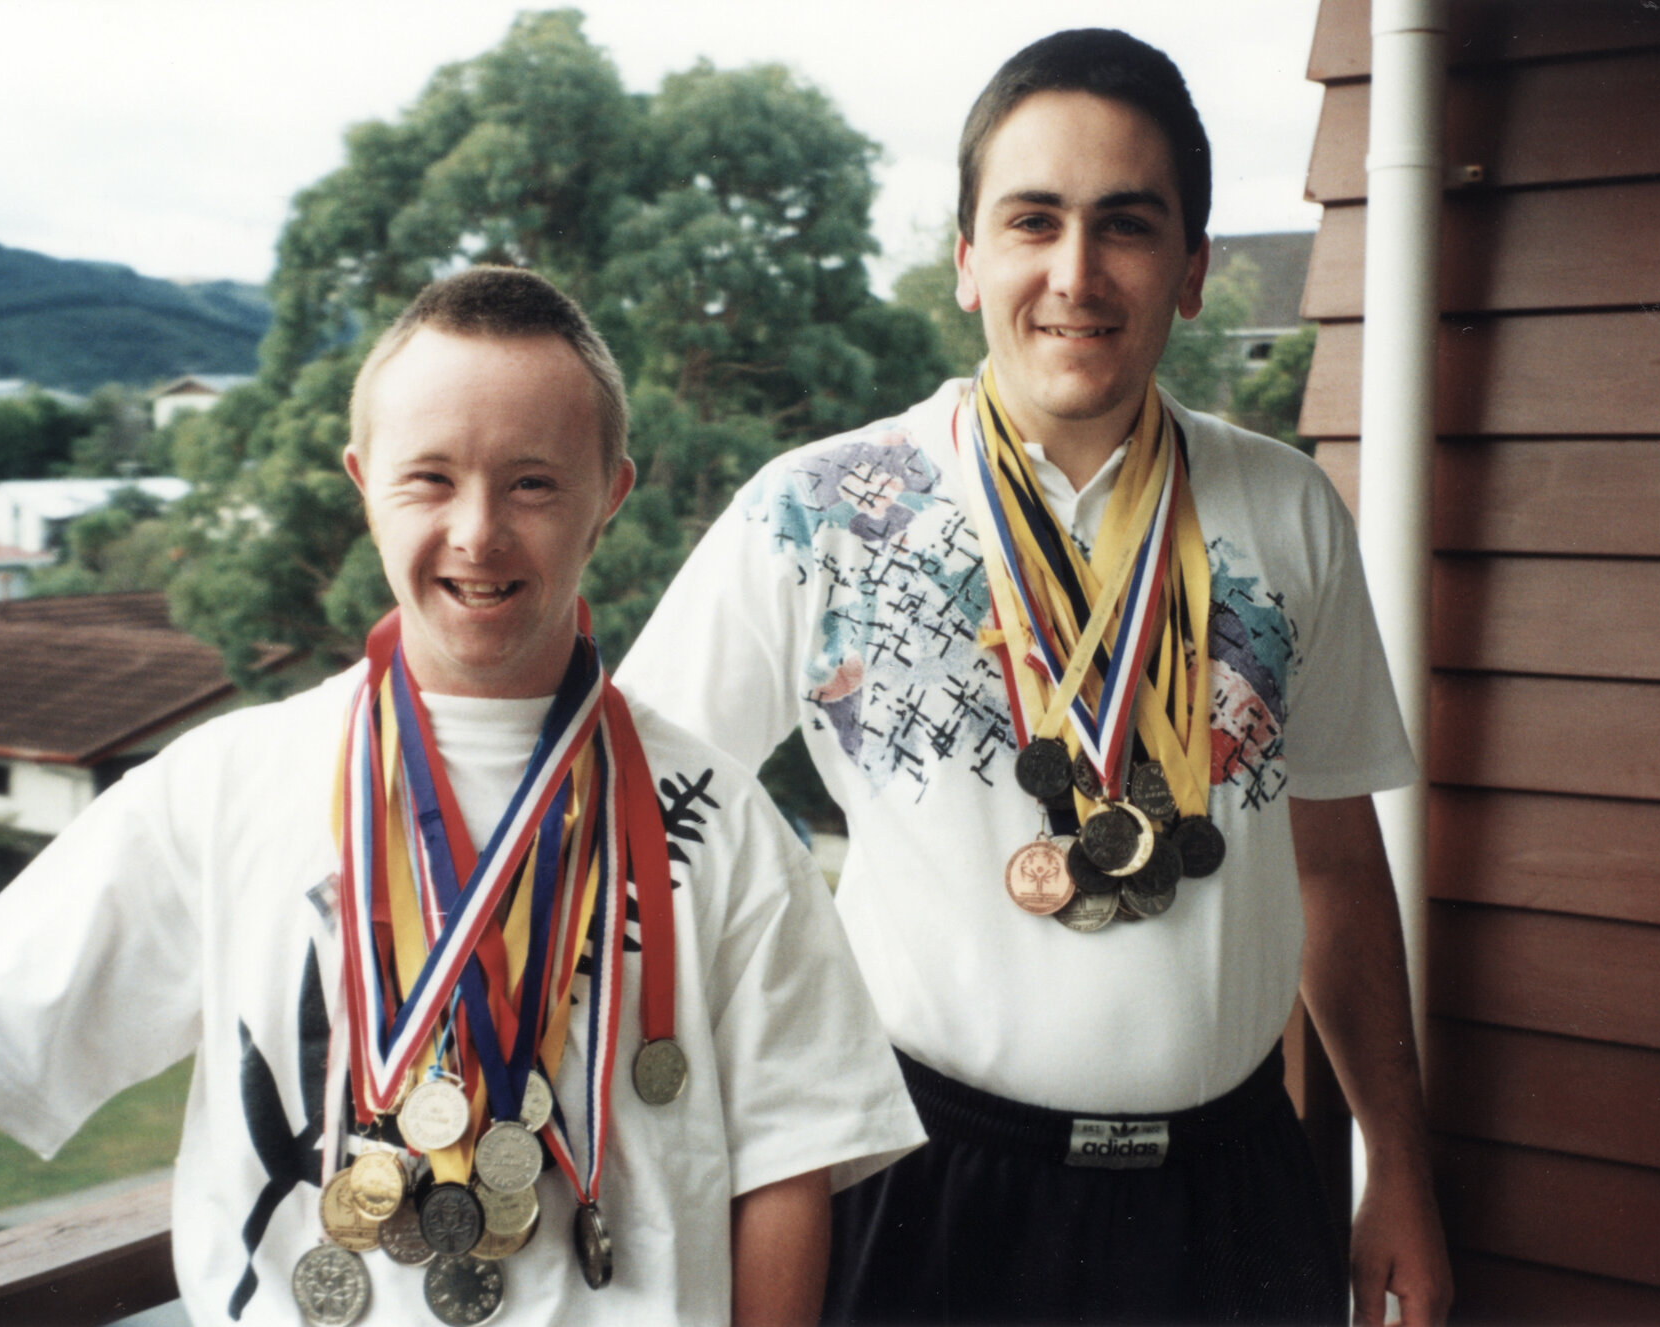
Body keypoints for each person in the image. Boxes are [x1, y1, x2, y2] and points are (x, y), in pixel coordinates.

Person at [0, 267, 924, 1326]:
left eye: (532, 482)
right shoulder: (222, 787)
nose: (477, 530)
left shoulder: (720, 820)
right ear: (362, 487)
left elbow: (787, 1171)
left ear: (610, 496)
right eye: (429, 477)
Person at [617, 28, 1452, 1327]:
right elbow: (634, 823)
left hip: (1230, 1201)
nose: (1074, 274)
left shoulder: (1285, 512)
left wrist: (1395, 1161)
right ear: (965, 259)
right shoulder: (819, 514)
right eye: (1030, 221)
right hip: (917, 1189)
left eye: (1123, 225)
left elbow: (1335, 860)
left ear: (1189, 269)